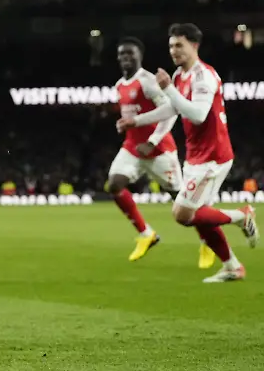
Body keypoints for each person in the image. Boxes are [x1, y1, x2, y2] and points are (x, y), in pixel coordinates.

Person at [118, 23, 258, 283]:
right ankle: (232, 267)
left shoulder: (204, 76)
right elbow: (171, 109)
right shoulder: (180, 76)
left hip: (213, 156)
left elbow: (197, 114)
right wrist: (135, 121)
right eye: (171, 46)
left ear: (194, 45)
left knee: (182, 214)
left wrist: (167, 88)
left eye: (179, 45)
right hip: (195, 155)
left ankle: (242, 215)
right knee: (202, 216)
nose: (173, 51)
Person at [108, 37, 182, 261]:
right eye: (121, 54)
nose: (125, 58)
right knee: (114, 184)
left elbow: (171, 111)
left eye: (130, 53)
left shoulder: (148, 81)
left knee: (182, 204)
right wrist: (124, 125)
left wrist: (152, 141)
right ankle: (146, 234)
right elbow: (133, 115)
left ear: (140, 55)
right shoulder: (120, 85)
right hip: (132, 148)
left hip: (159, 150)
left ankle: (207, 239)